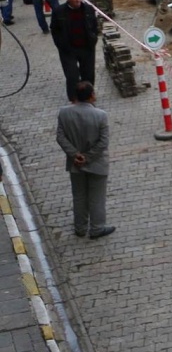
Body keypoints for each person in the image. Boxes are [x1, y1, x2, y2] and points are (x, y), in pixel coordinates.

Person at [56, 81, 112, 238]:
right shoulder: (101, 115)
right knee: (97, 198)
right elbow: (103, 142)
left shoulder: (64, 113)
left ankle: (80, 228)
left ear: (75, 96)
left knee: (79, 196)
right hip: (97, 164)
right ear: (92, 95)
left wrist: (75, 154)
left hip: (75, 165)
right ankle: (97, 228)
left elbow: (60, 137)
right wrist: (87, 157)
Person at [51, 0, 99, 102]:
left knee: (88, 74)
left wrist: (93, 38)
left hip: (86, 47)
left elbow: (94, 26)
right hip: (68, 50)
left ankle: (88, 96)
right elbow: (55, 30)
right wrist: (60, 45)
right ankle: (74, 98)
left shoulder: (88, 9)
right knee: (72, 76)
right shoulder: (59, 11)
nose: (78, 0)